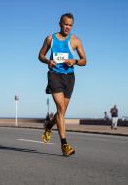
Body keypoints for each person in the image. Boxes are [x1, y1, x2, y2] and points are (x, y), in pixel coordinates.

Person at [38, 13, 87, 156]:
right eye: (65, 24)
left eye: (70, 25)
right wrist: (48, 61)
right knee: (60, 108)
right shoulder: (50, 39)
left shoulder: (76, 41)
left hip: (69, 78)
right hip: (54, 75)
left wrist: (75, 61)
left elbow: (85, 60)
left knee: (62, 111)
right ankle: (64, 145)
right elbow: (40, 55)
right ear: (60, 24)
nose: (68, 27)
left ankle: (48, 126)